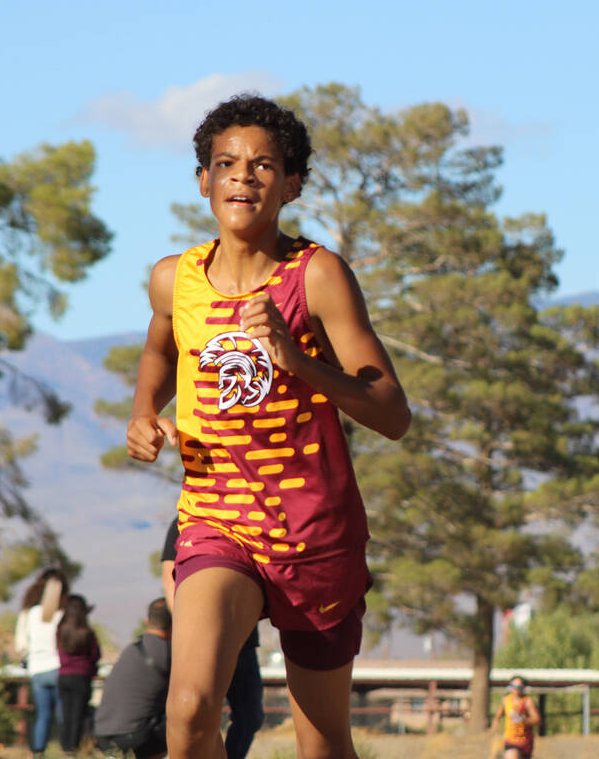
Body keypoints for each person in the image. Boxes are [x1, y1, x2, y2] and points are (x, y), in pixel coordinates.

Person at [126, 93, 410, 759]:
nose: (243, 177)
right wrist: (144, 410)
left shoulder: (317, 278)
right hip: (217, 521)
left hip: (315, 534)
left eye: (263, 166)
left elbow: (392, 413)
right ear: (204, 182)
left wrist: (300, 362)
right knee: (191, 708)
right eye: (226, 164)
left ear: (292, 184)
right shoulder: (175, 279)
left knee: (322, 742)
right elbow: (161, 350)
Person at [161, 519, 264, 759]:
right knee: (195, 713)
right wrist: (190, 630)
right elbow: (170, 580)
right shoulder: (183, 520)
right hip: (200, 638)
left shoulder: (249, 514)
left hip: (244, 641)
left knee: (251, 717)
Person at [95, 598, 173, 759]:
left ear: (147, 621)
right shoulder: (169, 652)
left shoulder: (131, 648)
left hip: (102, 734)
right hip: (134, 737)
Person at [14, 568, 69, 757]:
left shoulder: (30, 613)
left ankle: (37, 752)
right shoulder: (62, 614)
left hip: (36, 670)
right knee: (63, 715)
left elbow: (21, 644)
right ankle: (67, 749)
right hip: (57, 668)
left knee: (42, 715)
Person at [57, 594, 101, 753]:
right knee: (77, 715)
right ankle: (72, 749)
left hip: (63, 677)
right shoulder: (87, 632)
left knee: (66, 715)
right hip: (82, 677)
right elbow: (95, 655)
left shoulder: (60, 631)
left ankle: (65, 748)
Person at [491, 676, 539, 759]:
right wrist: (496, 721)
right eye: (513, 686)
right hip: (510, 740)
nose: (515, 688)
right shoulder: (506, 700)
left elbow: (537, 720)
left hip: (525, 741)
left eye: (519, 687)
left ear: (523, 688)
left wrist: (523, 719)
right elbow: (500, 713)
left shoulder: (527, 701)